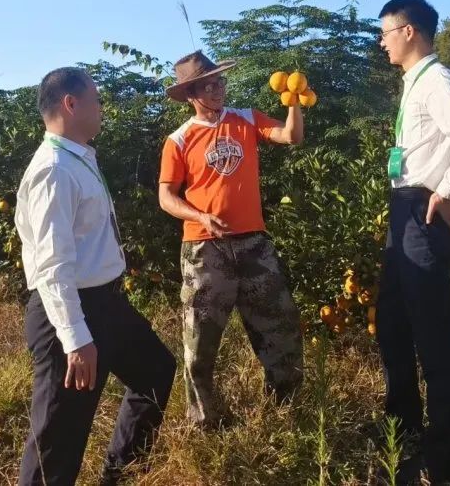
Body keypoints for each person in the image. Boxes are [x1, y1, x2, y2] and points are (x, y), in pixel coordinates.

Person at [16, 67, 176, 486]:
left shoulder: (77, 158)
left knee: (156, 372)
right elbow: (52, 266)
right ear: (71, 103)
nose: (103, 109)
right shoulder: (54, 169)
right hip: (69, 312)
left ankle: (117, 476)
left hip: (106, 303)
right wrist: (76, 339)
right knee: (57, 443)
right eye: (97, 100)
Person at [376, 0, 450, 484]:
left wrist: (446, 193)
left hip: (422, 210)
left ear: (409, 32)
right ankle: (402, 428)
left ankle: (440, 453)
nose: (381, 42)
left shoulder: (437, 81)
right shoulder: (413, 82)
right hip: (404, 209)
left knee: (432, 335)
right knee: (392, 324)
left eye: (385, 33)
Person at [157, 50, 304, 428]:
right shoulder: (179, 139)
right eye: (209, 84)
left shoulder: (246, 119)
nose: (218, 87)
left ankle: (286, 412)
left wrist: (296, 102)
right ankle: (204, 423)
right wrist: (199, 214)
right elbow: (166, 197)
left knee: (280, 327)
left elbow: (291, 136)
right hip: (204, 249)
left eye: (220, 80)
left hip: (254, 243)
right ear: (192, 93)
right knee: (199, 342)